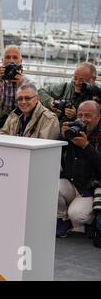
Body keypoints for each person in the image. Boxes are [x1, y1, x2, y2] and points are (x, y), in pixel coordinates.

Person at [56, 101, 101, 239]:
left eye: (88, 115)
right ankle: (63, 218)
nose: (83, 119)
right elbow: (55, 155)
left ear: (98, 117)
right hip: (71, 182)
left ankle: (90, 218)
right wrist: (62, 138)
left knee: (78, 215)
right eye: (80, 115)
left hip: (89, 189)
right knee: (50, 187)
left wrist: (86, 146)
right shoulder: (73, 129)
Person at [0, 45, 33, 133]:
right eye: (8, 57)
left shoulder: (27, 81)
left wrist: (20, 86)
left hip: (18, 116)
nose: (11, 60)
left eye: (15, 57)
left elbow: (26, 108)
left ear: (20, 62)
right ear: (2, 61)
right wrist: (0, 81)